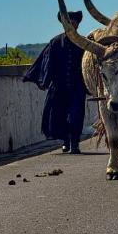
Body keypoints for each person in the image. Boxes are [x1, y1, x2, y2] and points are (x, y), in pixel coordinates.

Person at [22, 11, 87, 154]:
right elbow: (47, 63)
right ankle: (66, 142)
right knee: (59, 115)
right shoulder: (56, 42)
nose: (71, 24)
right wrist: (44, 81)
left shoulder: (84, 42)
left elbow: (90, 65)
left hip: (77, 86)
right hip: (59, 86)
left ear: (77, 24)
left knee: (76, 115)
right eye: (68, 22)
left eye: (74, 21)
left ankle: (75, 143)